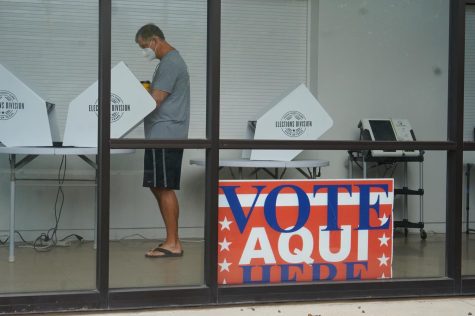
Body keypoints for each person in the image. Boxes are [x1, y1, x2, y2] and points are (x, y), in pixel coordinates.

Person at [135, 23, 190, 258]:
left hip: (165, 134)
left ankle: (173, 243)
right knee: (158, 185)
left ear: (155, 40)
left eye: (143, 46)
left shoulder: (170, 63)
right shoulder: (168, 63)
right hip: (163, 133)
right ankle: (172, 240)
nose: (144, 52)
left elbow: (155, 100)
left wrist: (134, 96)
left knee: (164, 187)